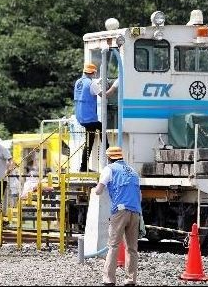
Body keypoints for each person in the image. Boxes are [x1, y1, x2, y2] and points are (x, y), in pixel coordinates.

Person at [93, 146, 142, 286]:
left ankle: (108, 279)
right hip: (135, 211)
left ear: (109, 158)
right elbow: (139, 194)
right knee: (132, 248)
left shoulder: (110, 169)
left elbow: (98, 191)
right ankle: (130, 280)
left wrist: (96, 188)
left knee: (113, 245)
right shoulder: (133, 171)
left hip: (120, 211)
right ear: (121, 156)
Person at [74, 63, 118, 172]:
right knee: (102, 128)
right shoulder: (91, 84)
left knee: (90, 141)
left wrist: (98, 83)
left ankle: (83, 167)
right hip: (89, 117)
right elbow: (105, 95)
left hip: (80, 117)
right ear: (94, 72)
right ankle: (110, 157)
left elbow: (87, 91)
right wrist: (114, 86)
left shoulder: (78, 82)